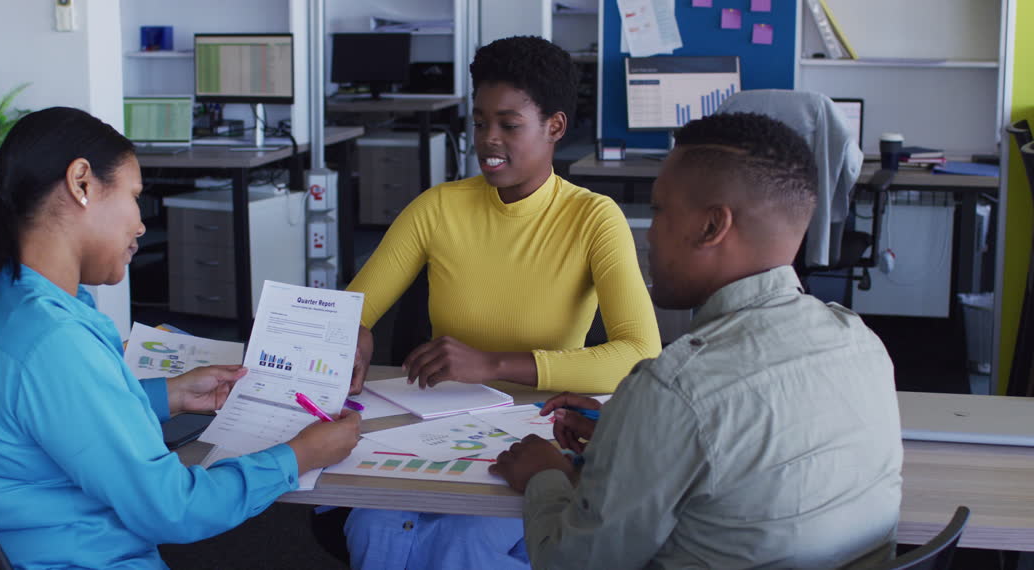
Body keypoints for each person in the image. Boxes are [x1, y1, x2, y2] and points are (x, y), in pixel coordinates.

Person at [492, 112, 904, 569]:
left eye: (659, 211)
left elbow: (569, 564)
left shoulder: (674, 390)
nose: (649, 234)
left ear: (711, 227)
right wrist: (630, 434)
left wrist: (545, 476)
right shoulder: (861, 343)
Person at [0, 107, 361, 569]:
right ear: (82, 183)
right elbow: (175, 508)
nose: (141, 224)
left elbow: (39, 417)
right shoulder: (53, 341)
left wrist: (169, 395)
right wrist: (299, 456)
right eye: (134, 196)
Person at [340, 36, 662, 569]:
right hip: (436, 423)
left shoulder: (593, 218)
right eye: (480, 122)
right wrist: (353, 332)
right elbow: (349, 312)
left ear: (554, 126)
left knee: (461, 543)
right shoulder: (438, 207)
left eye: (509, 125)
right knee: (374, 527)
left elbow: (640, 354)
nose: (488, 139)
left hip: (536, 432)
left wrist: (493, 364)